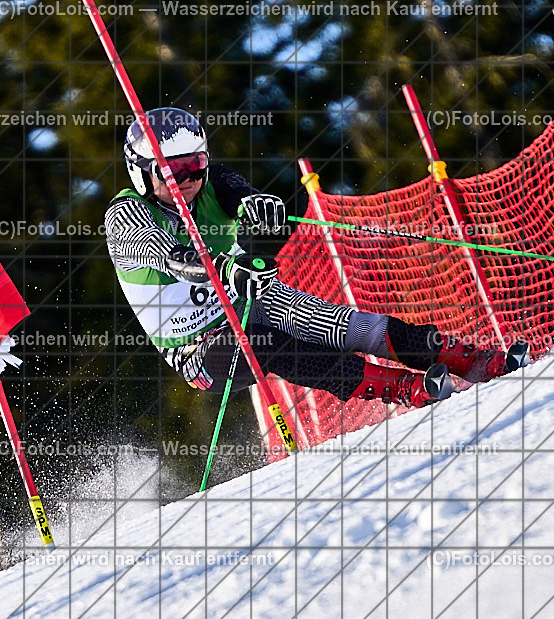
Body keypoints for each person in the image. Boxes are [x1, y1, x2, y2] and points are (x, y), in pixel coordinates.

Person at [104, 108, 529, 408]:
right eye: (176, 171)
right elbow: (174, 257)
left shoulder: (212, 181)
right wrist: (228, 270)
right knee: (266, 345)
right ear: (142, 172)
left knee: (344, 325)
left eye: (196, 164)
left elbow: (241, 194)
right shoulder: (125, 216)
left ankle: (470, 360)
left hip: (248, 296)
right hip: (200, 349)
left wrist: (258, 205)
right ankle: (397, 387)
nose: (191, 179)